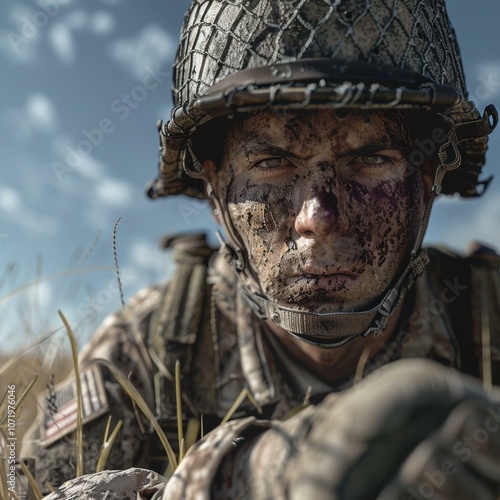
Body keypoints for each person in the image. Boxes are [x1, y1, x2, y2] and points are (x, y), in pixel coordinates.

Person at [20, 0, 500, 498]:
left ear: (425, 181)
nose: (317, 218)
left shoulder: (487, 317)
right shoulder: (148, 350)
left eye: (369, 159)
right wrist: (256, 475)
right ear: (215, 191)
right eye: (272, 162)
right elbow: (34, 487)